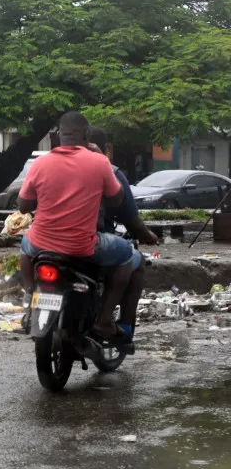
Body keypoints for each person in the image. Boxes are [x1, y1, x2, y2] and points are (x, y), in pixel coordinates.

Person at [17, 111, 134, 348]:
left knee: (24, 245)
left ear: (58, 135)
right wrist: (105, 164)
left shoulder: (40, 163)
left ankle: (30, 295)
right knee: (129, 255)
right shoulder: (98, 162)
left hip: (40, 244)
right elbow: (117, 199)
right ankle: (104, 320)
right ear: (87, 134)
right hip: (82, 246)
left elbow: (23, 205)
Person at [89, 126, 159, 338]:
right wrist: (148, 235)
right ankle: (119, 325)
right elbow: (128, 214)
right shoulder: (109, 171)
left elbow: (25, 204)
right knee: (131, 257)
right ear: (105, 149)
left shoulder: (53, 166)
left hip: (46, 240)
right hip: (90, 241)